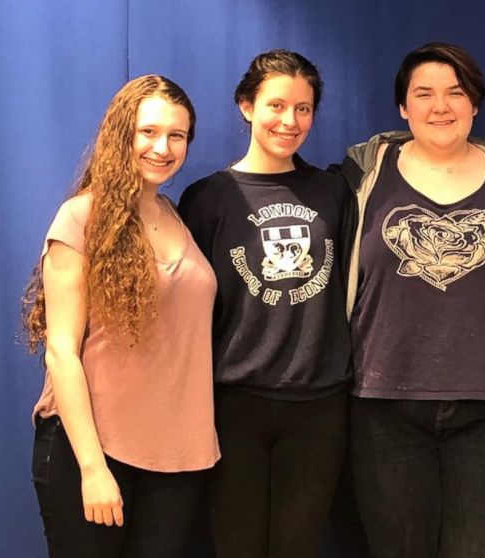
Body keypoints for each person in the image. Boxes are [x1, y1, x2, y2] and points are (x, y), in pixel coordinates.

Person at [339, 42, 485, 558]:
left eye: (456, 93)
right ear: (403, 107)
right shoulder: (362, 178)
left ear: (475, 104)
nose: (441, 106)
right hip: (384, 409)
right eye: (425, 93)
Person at [23, 75, 218, 557]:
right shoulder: (80, 218)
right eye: (148, 132)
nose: (163, 147)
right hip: (93, 452)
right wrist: (92, 468)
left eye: (177, 135)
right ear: (121, 134)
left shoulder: (176, 216)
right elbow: (61, 352)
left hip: (176, 460)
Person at [178, 49, 352, 558]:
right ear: (246, 106)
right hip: (234, 403)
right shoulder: (207, 198)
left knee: (298, 546)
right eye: (277, 105)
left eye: (303, 108)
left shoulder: (334, 192)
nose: (290, 121)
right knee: (237, 544)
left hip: (318, 403)